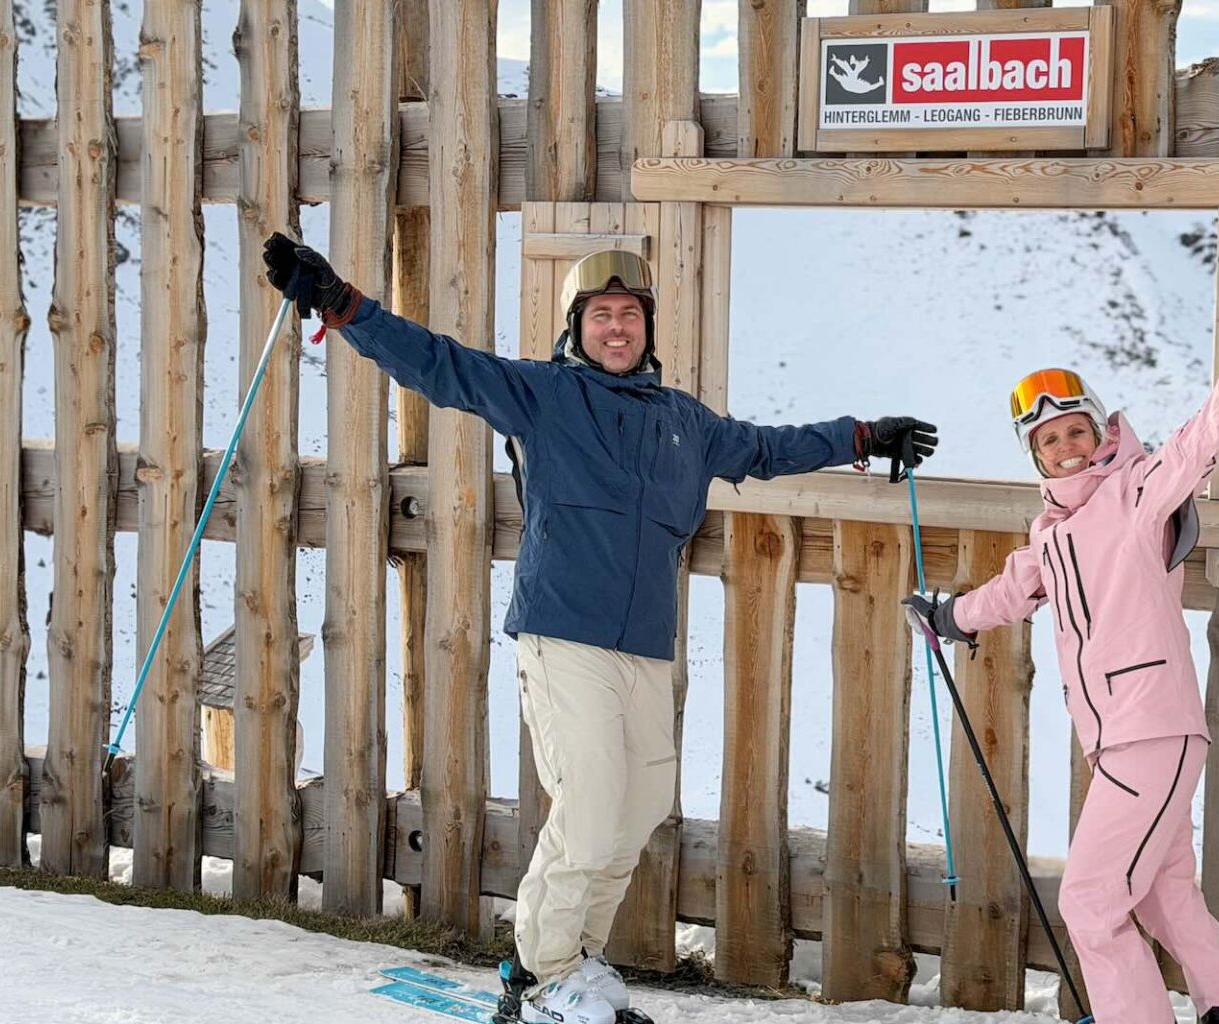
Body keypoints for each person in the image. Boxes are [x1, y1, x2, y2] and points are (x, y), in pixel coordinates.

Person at [261, 235, 937, 1024]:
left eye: (631, 315)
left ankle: (554, 962)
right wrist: (344, 305)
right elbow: (439, 364)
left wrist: (861, 434)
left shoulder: (686, 422)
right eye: (601, 315)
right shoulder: (542, 394)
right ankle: (552, 978)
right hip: (562, 632)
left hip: (645, 645)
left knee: (634, 809)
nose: (617, 329)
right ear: (576, 328)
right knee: (588, 806)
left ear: (649, 329)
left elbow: (764, 448)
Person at [903, 290, 1219, 1024]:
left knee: (1091, 903)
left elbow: (1198, 446)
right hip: (1121, 740)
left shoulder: (1135, 493)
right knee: (1165, 899)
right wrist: (950, 619)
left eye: (1075, 430)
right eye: (1049, 441)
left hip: (1150, 730)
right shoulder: (1052, 534)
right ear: (1034, 455)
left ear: (1099, 430)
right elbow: (1010, 592)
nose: (1066, 447)